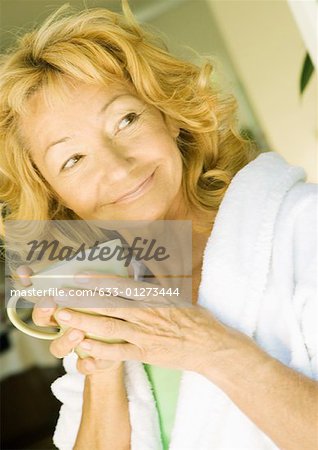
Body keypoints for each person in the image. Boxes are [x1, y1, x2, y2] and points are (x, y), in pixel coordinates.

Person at [0, 2, 317, 450]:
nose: (118, 168)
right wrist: (100, 360)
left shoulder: (304, 227)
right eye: (72, 159)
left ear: (167, 115)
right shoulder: (106, 292)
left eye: (125, 120)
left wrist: (210, 347)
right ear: (55, 195)